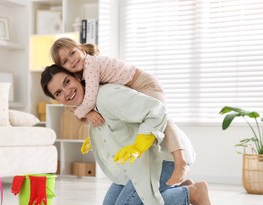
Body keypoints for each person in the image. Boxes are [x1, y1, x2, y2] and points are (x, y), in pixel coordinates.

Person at [40, 64, 213, 205]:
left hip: (162, 158)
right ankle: (180, 187)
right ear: (57, 100)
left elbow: (157, 112)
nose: (67, 91)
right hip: (140, 163)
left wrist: (140, 144)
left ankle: (193, 194)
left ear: (78, 77)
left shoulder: (107, 96)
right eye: (58, 93)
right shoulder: (89, 106)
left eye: (67, 81)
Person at [50, 37, 190, 186]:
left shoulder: (91, 65)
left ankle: (181, 161)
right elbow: (91, 102)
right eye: (65, 61)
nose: (71, 60)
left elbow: (90, 99)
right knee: (141, 127)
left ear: (82, 50)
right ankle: (184, 186)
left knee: (161, 118)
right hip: (133, 88)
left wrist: (80, 113)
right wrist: (89, 113)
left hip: (145, 84)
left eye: (72, 53)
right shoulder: (82, 74)